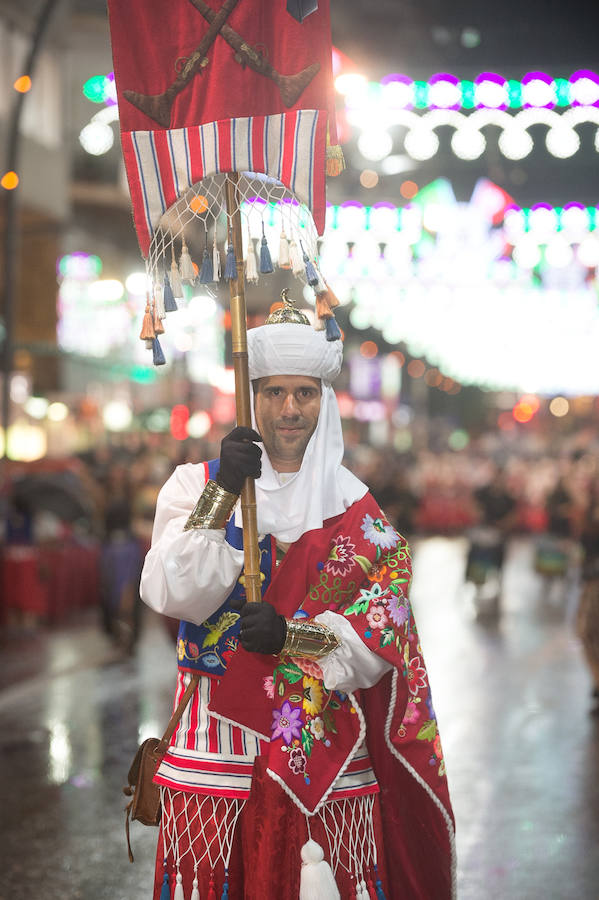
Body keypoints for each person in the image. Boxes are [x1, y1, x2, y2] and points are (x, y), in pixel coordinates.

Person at [140, 304, 455, 900]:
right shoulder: (194, 483)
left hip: (321, 747)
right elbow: (170, 591)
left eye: (305, 393)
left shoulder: (354, 506)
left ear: (323, 401)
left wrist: (292, 637)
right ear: (252, 397)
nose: (290, 409)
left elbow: (385, 627)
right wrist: (223, 492)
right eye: (275, 392)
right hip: (214, 741)